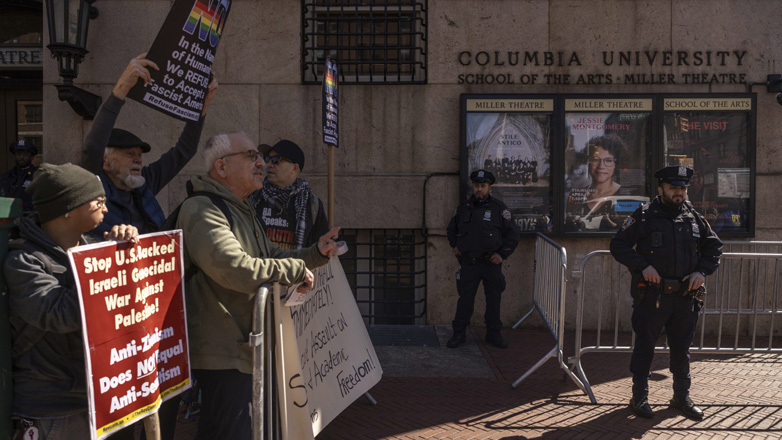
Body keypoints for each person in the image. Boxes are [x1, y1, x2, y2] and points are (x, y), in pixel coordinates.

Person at [176, 132, 340, 439]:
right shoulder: (202, 209)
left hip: (244, 347)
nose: (262, 163)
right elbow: (236, 269)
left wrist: (314, 254)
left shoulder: (241, 207)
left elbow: (271, 255)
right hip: (223, 350)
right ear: (221, 168)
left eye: (261, 157)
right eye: (251, 156)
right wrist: (294, 269)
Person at [4, 163, 139, 440]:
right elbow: (59, 314)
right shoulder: (23, 261)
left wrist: (123, 252)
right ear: (67, 208)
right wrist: (107, 265)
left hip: (102, 397)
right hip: (54, 407)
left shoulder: (90, 245)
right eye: (98, 201)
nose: (105, 207)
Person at [610, 165, 722, 420]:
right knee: (645, 346)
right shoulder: (645, 216)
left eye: (682, 188)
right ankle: (639, 397)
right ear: (661, 188)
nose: (679, 192)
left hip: (685, 297)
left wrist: (701, 272)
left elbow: (714, 248)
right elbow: (618, 245)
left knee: (682, 349)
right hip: (653, 296)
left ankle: (681, 397)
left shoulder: (694, 217)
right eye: (674, 188)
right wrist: (643, 265)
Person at [80, 53, 218, 238]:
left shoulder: (145, 184)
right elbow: (93, 146)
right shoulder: (94, 185)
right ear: (106, 161)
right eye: (130, 154)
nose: (138, 159)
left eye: (139, 155)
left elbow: (184, 151)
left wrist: (202, 107)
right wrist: (123, 87)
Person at [446, 169, 520, 349]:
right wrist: (454, 245)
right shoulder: (463, 208)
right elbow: (451, 230)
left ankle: (493, 334)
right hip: (469, 264)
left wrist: (501, 255)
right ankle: (459, 334)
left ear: (489, 187)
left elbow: (513, 236)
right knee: (465, 300)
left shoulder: (499, 209)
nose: (479, 189)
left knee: (494, 301)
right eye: (476, 186)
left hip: (490, 265)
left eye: (483, 186)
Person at [253, 140, 329, 249]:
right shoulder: (254, 195)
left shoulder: (310, 203)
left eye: (276, 160)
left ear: (294, 168)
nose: (269, 164)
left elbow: (319, 247)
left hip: (294, 265)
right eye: (267, 159)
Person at [0, 140, 38, 212]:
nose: (21, 157)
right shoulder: (5, 177)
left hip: (29, 219)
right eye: (18, 154)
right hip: (7, 219)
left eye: (25, 154)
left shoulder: (38, 176)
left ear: (32, 157)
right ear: (14, 156)